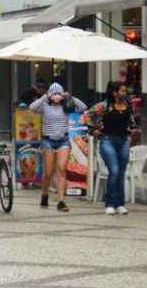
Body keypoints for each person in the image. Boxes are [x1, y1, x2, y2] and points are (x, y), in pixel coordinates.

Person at [29, 82, 87, 212]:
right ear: (50, 94)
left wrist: (69, 96)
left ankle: (61, 201)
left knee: (61, 169)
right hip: (48, 141)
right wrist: (45, 96)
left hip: (63, 141)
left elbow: (83, 107)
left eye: (58, 93)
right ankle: (44, 194)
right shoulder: (44, 105)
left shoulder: (67, 105)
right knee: (48, 173)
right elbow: (31, 107)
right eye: (54, 93)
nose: (56, 96)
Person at [84, 81, 136, 215]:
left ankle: (120, 204)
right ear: (115, 92)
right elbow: (86, 116)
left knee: (122, 172)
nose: (125, 93)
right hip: (107, 140)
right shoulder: (104, 105)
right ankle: (110, 203)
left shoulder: (127, 104)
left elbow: (131, 121)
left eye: (125, 91)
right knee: (115, 170)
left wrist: (131, 131)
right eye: (123, 91)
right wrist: (93, 130)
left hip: (123, 141)